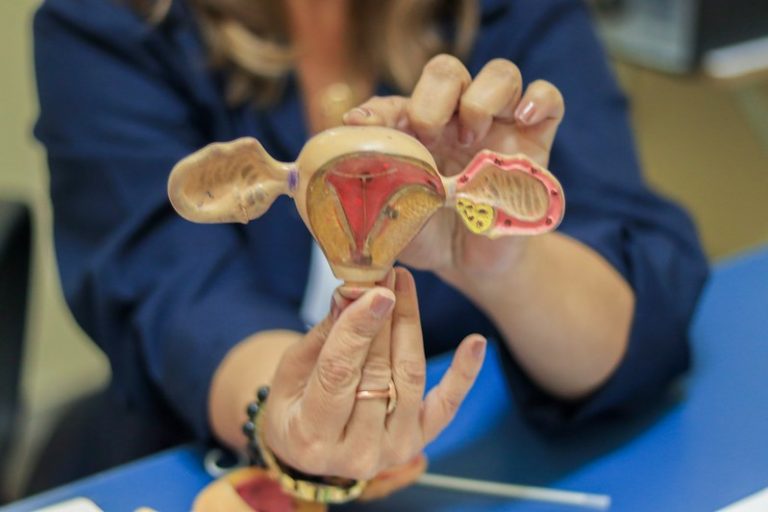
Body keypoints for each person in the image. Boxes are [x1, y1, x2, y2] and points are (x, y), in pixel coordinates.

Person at [31, 0, 708, 495]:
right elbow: (171, 290)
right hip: (196, 462)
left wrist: (502, 262)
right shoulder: (108, 21)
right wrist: (293, 418)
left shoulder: (510, 12)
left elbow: (641, 294)